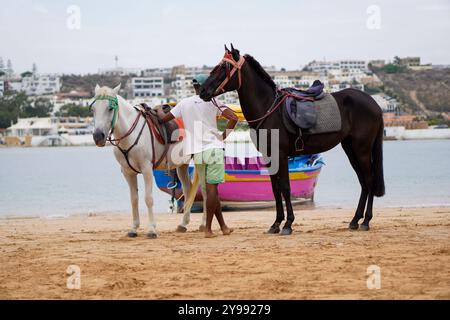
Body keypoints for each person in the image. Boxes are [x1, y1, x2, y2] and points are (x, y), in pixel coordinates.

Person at [159, 74, 238, 238]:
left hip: (197, 153)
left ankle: (223, 226)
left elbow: (164, 119)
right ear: (206, 86)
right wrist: (223, 136)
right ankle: (208, 229)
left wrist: (159, 110)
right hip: (214, 149)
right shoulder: (213, 101)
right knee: (212, 190)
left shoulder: (184, 103)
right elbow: (234, 118)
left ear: (194, 86)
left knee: (211, 190)